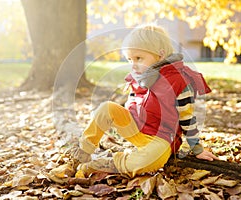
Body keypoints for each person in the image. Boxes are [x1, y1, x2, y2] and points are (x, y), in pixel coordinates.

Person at [70, 24, 219, 178]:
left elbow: (187, 118)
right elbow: (132, 104)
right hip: (136, 128)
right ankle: (81, 153)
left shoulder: (178, 81)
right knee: (106, 108)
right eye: (129, 59)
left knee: (153, 159)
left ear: (160, 55)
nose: (133, 64)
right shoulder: (139, 76)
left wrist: (197, 149)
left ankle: (108, 163)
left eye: (138, 58)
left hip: (161, 139)